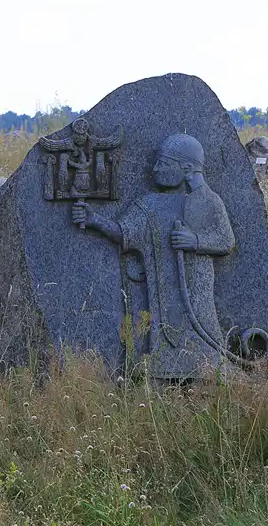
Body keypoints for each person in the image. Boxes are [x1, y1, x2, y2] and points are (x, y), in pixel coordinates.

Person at [72, 134, 235, 381]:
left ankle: (212, 380)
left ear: (187, 168)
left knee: (206, 339)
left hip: (198, 295)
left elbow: (226, 241)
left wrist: (196, 241)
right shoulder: (149, 205)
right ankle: (160, 393)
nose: (155, 169)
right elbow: (123, 232)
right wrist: (94, 220)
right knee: (165, 340)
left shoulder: (209, 202)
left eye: (164, 163)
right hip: (163, 296)